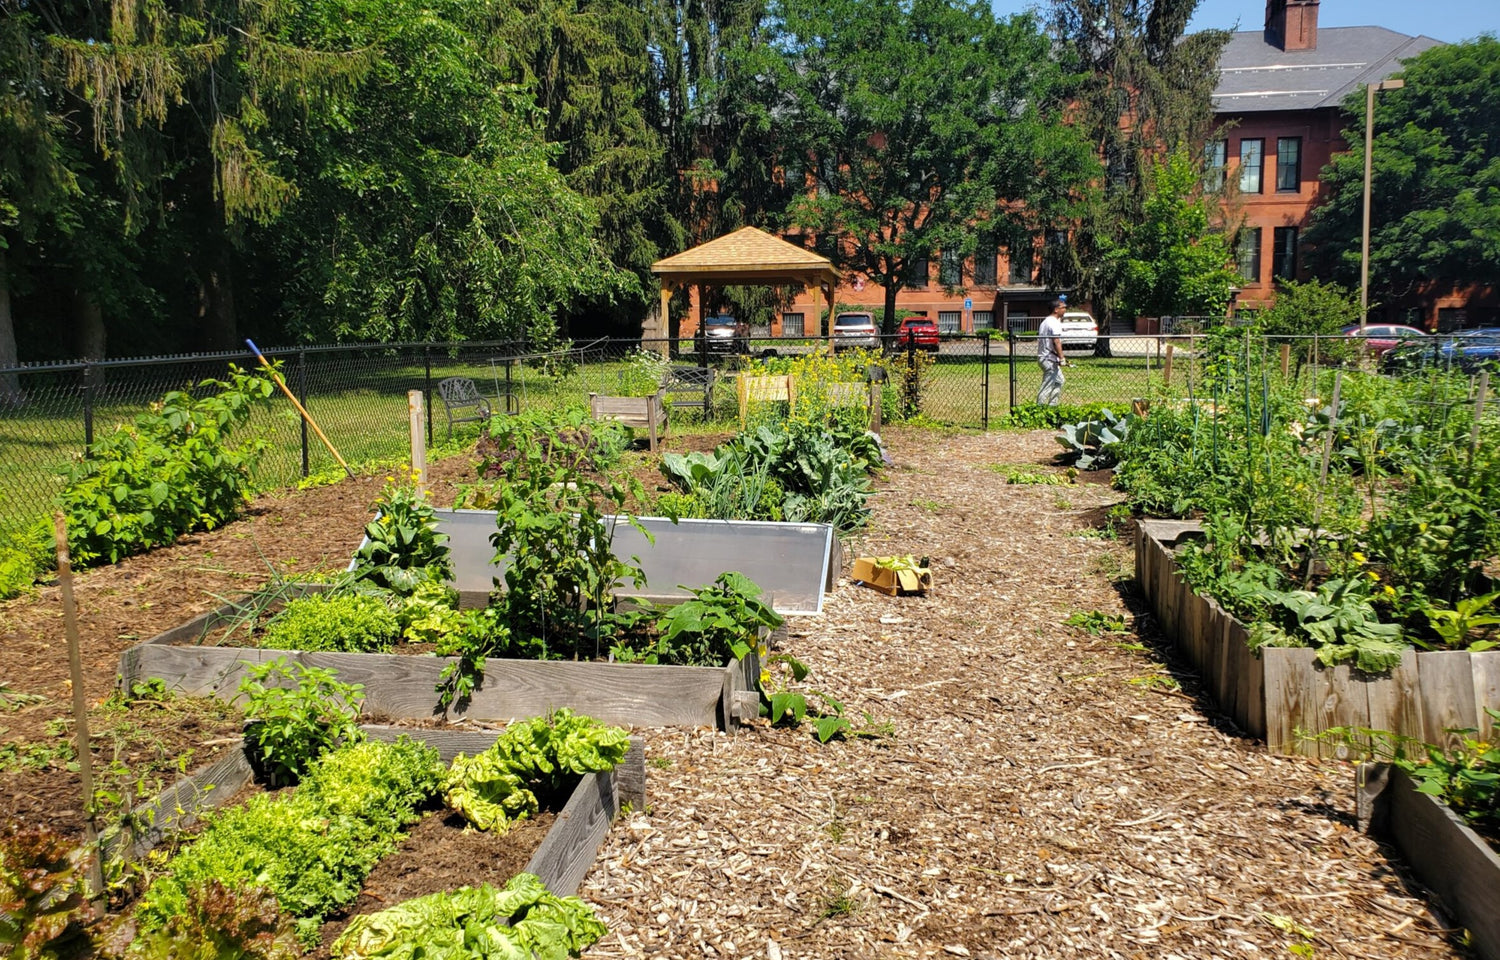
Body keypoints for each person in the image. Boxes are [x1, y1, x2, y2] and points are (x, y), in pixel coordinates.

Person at [1036, 298, 1069, 406]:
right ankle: (1039, 408)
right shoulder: (1053, 322)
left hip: (1048, 358)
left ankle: (1052, 406)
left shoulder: (1046, 321)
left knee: (1059, 381)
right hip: (1048, 359)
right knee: (1047, 385)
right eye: (1063, 307)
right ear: (1056, 309)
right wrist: (1062, 358)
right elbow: (1056, 341)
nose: (1065, 310)